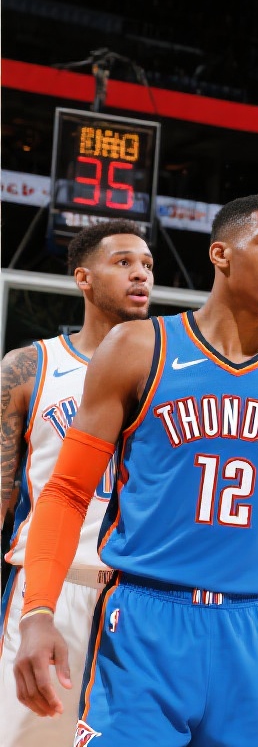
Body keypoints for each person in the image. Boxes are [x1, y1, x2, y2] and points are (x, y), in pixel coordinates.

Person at [13, 194, 258, 747]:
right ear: (220, 255)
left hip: (257, 631)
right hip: (145, 623)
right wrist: (38, 611)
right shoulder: (138, 347)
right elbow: (66, 492)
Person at [0, 220, 153, 747]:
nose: (141, 274)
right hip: (50, 588)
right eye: (124, 262)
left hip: (140, 595)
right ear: (83, 278)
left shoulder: (166, 372)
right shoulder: (30, 367)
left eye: (147, 265)